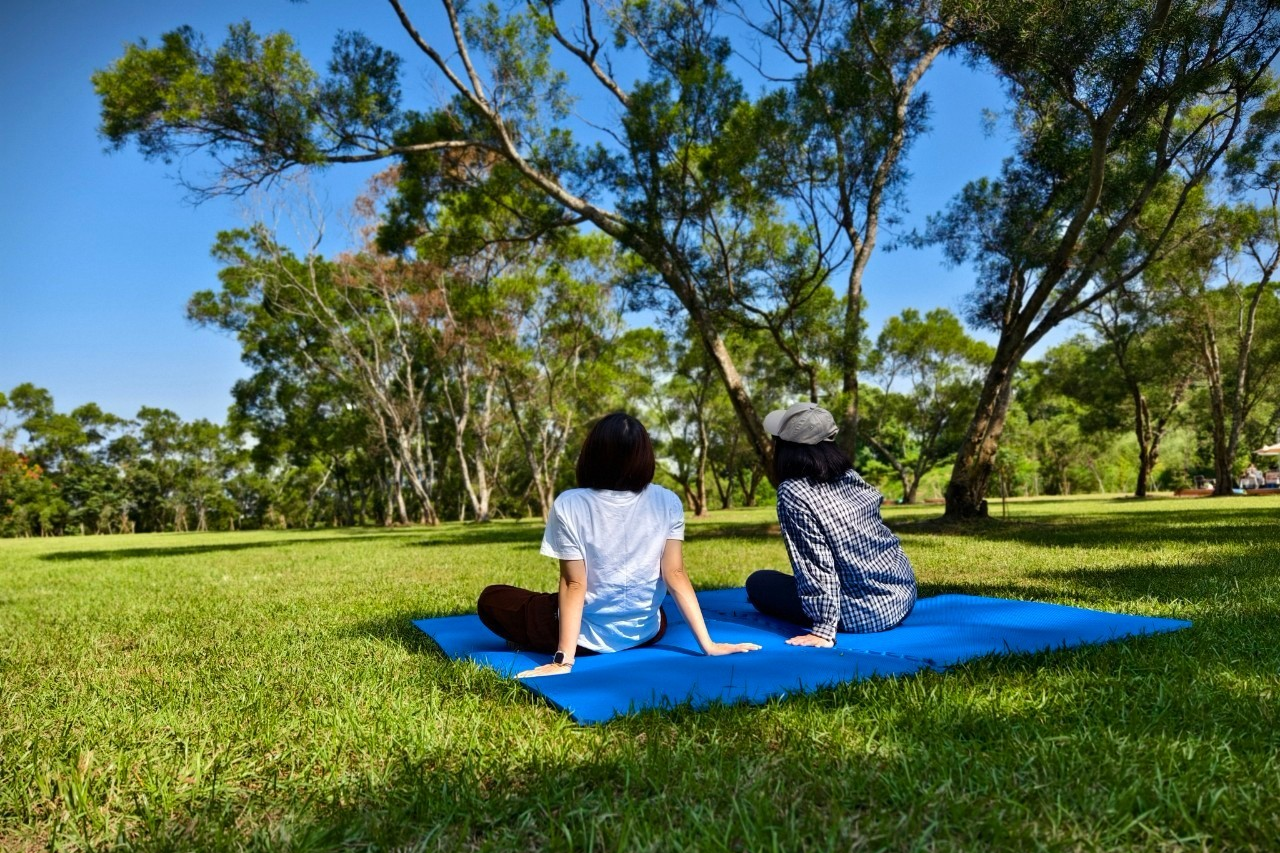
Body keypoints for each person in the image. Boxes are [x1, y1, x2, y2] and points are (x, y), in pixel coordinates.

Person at [476, 412, 760, 677]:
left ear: (592, 455)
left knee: (493, 598)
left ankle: (548, 639)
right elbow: (675, 574)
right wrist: (708, 645)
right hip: (647, 632)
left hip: (587, 641)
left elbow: (574, 584)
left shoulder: (570, 504)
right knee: (649, 610)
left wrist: (563, 661)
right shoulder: (668, 501)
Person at [746, 402, 917, 648]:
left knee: (758, 582)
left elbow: (817, 563)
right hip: (902, 598)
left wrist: (824, 630)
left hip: (864, 614)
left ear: (787, 448)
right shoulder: (850, 476)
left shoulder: (793, 491)